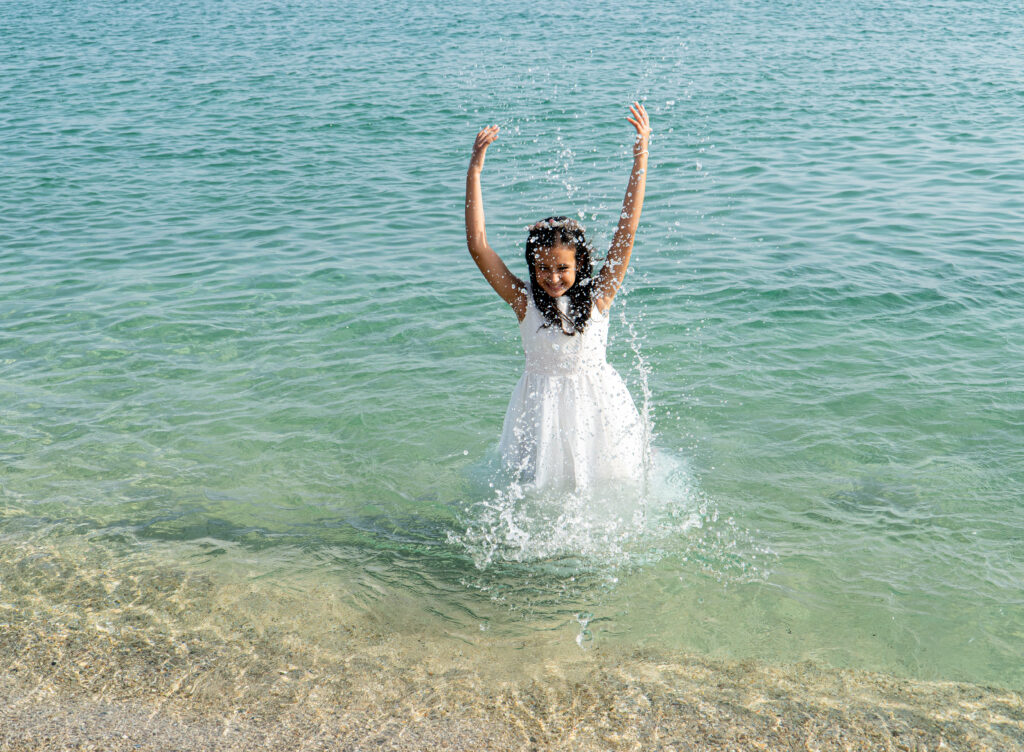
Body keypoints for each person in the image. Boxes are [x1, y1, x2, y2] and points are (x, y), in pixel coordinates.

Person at [464, 102, 651, 492]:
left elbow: (626, 233)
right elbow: (479, 247)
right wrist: (476, 170)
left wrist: (641, 156)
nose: (552, 277)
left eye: (562, 268)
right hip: (539, 414)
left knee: (605, 488)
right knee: (538, 491)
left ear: (580, 264)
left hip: (597, 411)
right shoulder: (524, 301)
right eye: (543, 269)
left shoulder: (600, 296)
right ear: (532, 268)